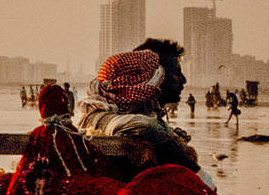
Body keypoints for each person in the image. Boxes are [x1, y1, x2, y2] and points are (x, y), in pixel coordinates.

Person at [76, 40, 205, 181]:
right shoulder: (97, 117)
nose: (183, 80)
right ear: (153, 78)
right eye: (176, 73)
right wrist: (171, 142)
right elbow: (144, 126)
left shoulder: (147, 117)